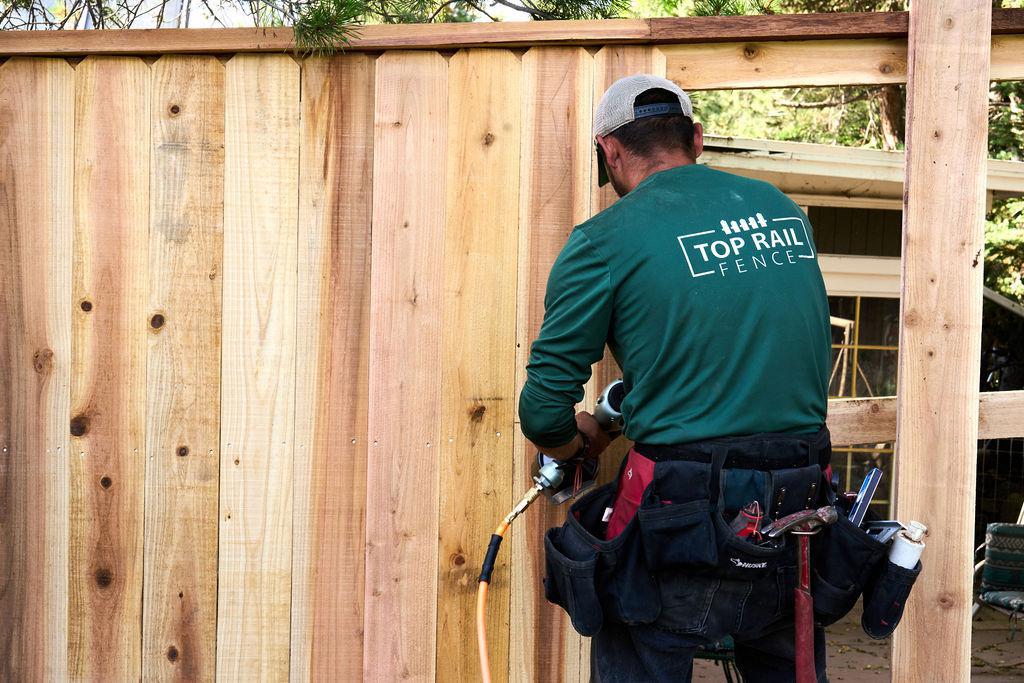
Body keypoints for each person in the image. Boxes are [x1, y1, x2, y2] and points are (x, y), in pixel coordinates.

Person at [518, 74, 833, 682]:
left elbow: (543, 407)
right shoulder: (781, 211)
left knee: (638, 638)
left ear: (608, 151)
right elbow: (726, 352)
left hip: (683, 505)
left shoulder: (603, 241)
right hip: (801, 504)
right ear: (696, 137)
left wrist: (572, 445)